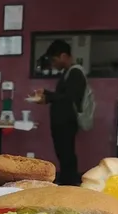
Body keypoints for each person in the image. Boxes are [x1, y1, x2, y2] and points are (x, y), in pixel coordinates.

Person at [33, 39, 87, 186]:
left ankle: (70, 184)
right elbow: (63, 95)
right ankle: (67, 182)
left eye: (54, 60)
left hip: (66, 121)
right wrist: (47, 95)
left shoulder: (75, 73)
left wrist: (48, 96)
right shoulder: (68, 73)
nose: (53, 64)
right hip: (61, 121)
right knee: (63, 154)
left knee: (66, 154)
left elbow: (70, 97)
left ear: (64, 56)